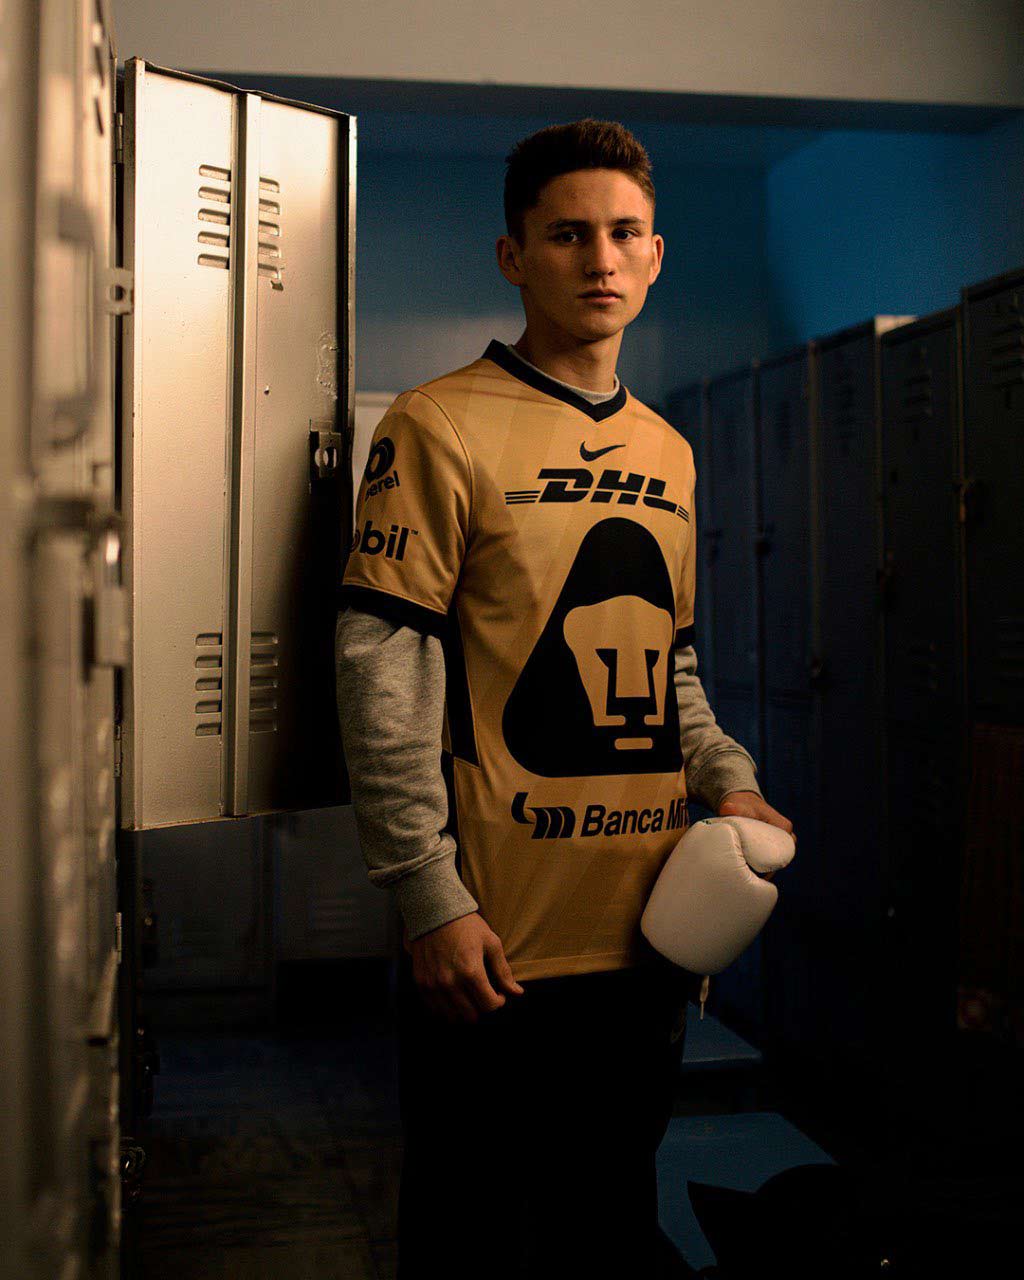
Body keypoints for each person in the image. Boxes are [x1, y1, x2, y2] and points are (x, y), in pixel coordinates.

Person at [335, 118, 794, 1279]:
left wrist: (730, 779)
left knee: (602, 1231)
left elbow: (671, 664)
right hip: (492, 943)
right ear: (513, 255)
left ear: (655, 256)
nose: (599, 258)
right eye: (568, 234)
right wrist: (427, 895)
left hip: (645, 936)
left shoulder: (671, 451)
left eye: (622, 233)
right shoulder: (438, 424)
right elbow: (378, 667)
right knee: (470, 1237)